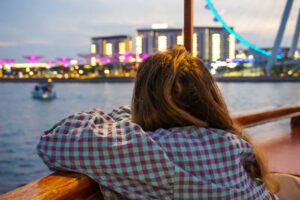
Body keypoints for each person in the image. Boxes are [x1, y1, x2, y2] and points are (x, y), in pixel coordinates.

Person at [37, 45, 278, 199]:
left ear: (145, 100)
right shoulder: (234, 142)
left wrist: (123, 118)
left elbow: (55, 142)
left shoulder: (155, 149)